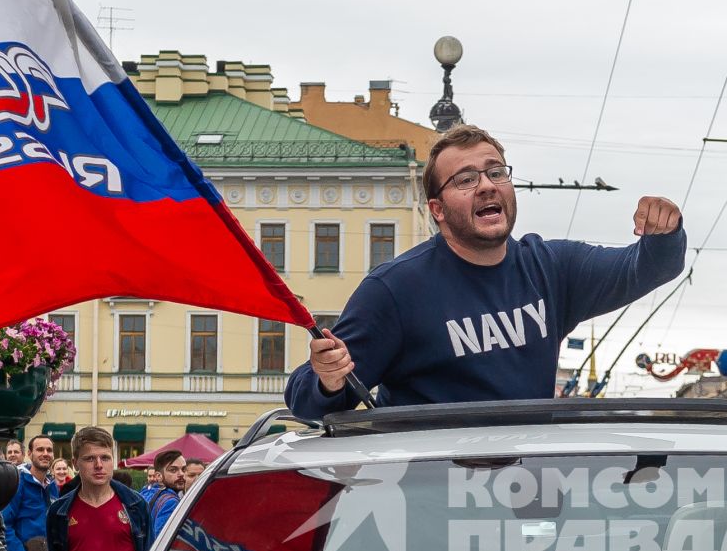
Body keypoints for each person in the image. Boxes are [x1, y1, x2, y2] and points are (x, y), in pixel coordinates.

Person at [286, 125, 685, 417]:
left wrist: (664, 233)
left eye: (496, 172)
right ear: (437, 210)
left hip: (524, 496)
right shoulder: (395, 290)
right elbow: (307, 400)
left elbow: (644, 268)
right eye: (465, 179)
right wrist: (328, 378)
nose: (487, 185)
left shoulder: (550, 268)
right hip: (429, 500)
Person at [0, 433, 58, 551]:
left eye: (49, 450)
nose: (45, 453)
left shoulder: (53, 486)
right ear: (30, 454)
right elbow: (5, 523)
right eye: (40, 449)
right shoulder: (18, 482)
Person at [141, 449, 186, 536]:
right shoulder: (171, 502)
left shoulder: (146, 493)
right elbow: (161, 540)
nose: (181, 474)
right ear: (158, 476)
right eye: (173, 470)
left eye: (183, 469)